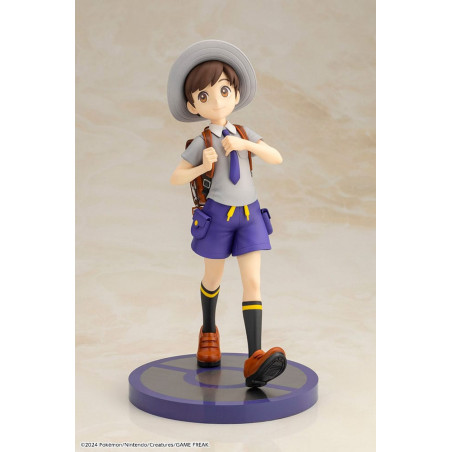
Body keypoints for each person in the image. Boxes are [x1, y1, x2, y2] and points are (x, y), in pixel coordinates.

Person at [168, 40, 286, 387]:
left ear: (236, 93)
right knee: (213, 278)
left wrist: (246, 145)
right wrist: (201, 166)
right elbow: (176, 177)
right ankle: (209, 331)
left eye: (223, 90)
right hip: (218, 217)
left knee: (253, 282)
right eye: (204, 96)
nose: (218, 101)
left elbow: (276, 157)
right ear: (193, 105)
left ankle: (255, 356)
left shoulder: (245, 133)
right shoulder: (202, 142)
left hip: (249, 215)